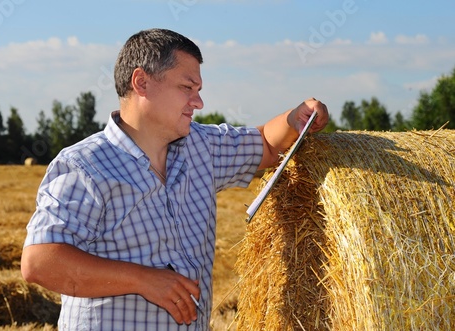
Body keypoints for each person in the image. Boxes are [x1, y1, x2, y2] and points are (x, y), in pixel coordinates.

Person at [21, 28, 329, 330]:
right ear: (141, 82)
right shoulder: (85, 166)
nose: (198, 103)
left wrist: (296, 116)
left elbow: (266, 143)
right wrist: (143, 280)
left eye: (198, 91)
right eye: (187, 88)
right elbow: (40, 262)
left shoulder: (203, 146)